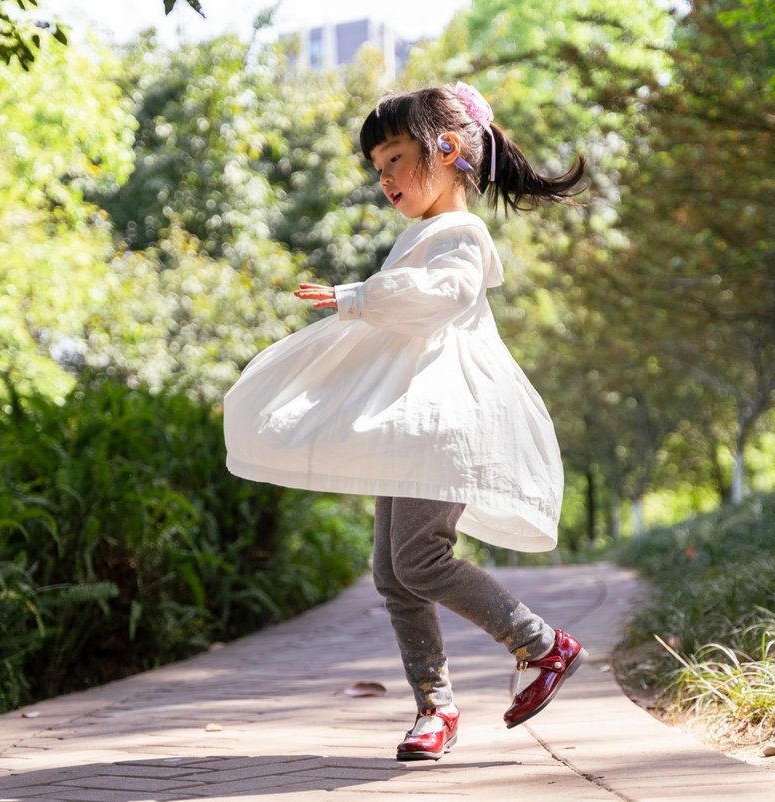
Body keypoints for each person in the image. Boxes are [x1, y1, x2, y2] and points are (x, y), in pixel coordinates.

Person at [223, 82, 587, 762]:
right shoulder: (422, 236)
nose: (384, 179)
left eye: (393, 159)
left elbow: (441, 298)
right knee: (394, 573)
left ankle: (543, 646)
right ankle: (436, 709)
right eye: (376, 168)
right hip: (416, 422)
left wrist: (356, 297)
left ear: (446, 150)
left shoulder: (462, 235)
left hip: (445, 423)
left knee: (419, 558)